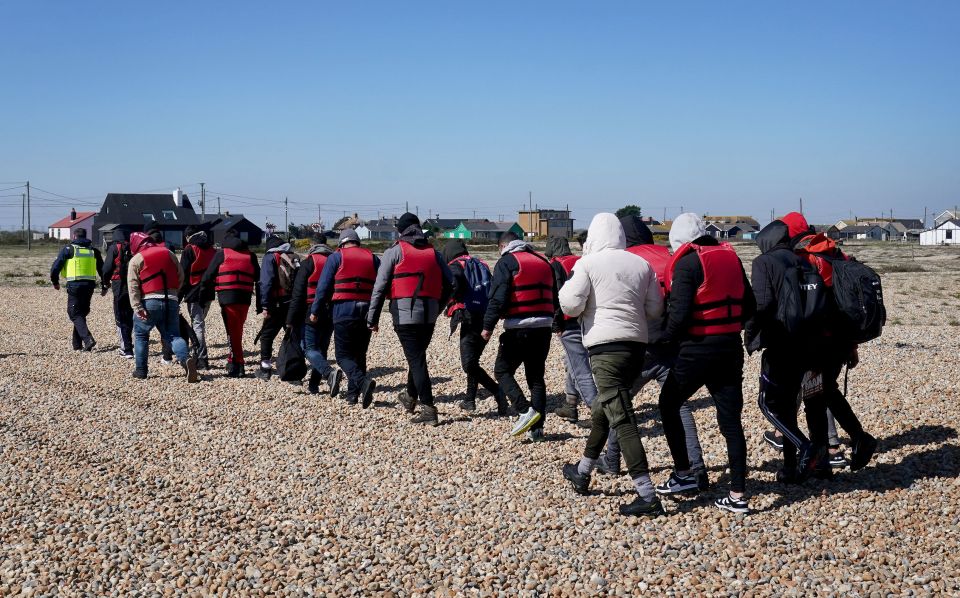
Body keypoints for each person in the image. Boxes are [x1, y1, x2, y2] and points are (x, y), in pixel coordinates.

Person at [558, 213, 665, 517]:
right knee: (603, 410)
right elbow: (655, 309)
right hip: (636, 347)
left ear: (594, 235)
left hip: (605, 349)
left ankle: (647, 494)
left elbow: (570, 304)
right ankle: (582, 471)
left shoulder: (587, 263)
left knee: (622, 418)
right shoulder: (640, 264)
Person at [655, 213, 756, 514]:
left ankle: (683, 475)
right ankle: (738, 494)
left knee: (669, 403)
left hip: (697, 349)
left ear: (679, 241)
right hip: (729, 348)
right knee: (730, 422)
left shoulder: (687, 263)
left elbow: (679, 317)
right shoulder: (731, 258)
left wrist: (659, 341)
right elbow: (749, 306)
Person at [600, 215, 709, 486]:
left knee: (619, 403)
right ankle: (696, 467)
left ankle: (612, 460)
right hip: (674, 343)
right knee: (679, 405)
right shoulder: (673, 256)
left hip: (638, 345)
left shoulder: (624, 260)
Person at [745, 213, 827, 483]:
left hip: (781, 342)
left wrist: (750, 334)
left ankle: (806, 447)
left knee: (768, 404)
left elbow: (762, 304)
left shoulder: (763, 263)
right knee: (791, 404)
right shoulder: (803, 260)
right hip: (809, 342)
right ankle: (792, 467)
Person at [791, 219, 877, 472]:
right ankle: (851, 442)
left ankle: (827, 458)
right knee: (825, 390)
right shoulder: (837, 254)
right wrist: (852, 346)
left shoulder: (806, 257)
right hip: (841, 339)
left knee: (815, 397)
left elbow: (809, 305)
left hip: (819, 341)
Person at [368, 213, 454, 426]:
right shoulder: (434, 253)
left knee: (416, 359)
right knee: (417, 357)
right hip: (429, 315)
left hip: (406, 315)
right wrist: (438, 306)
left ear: (401, 231)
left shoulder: (395, 252)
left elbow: (379, 288)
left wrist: (372, 318)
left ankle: (428, 407)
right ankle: (409, 397)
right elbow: (451, 284)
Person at [481, 231, 557, 440]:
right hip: (544, 327)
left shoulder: (507, 262)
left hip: (519, 327)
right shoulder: (543, 261)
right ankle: (537, 430)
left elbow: (498, 297)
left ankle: (524, 411)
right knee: (536, 378)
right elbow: (555, 295)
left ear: (502, 246)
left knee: (502, 371)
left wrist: (487, 326)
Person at [311, 229, 380, 406]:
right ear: (358, 242)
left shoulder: (336, 257)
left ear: (342, 243)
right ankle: (353, 395)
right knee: (359, 354)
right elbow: (381, 287)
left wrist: (315, 310)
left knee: (342, 356)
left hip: (343, 309)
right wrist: (376, 316)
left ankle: (363, 383)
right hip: (367, 310)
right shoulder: (373, 258)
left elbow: (323, 287)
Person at [126, 231, 199, 382]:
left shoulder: (137, 259)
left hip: (149, 301)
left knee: (141, 336)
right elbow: (181, 276)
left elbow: (133, 286)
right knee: (173, 335)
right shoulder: (169, 253)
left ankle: (141, 371)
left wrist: (137, 307)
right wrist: (174, 293)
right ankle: (186, 360)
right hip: (171, 300)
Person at [441, 239, 504, 413]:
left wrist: (445, 301)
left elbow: (453, 283)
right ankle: (470, 400)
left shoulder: (455, 266)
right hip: (486, 316)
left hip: (469, 317)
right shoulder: (480, 264)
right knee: (473, 360)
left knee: (468, 364)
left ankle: (498, 391)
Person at [545, 236, 597, 424]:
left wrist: (557, 324)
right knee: (572, 361)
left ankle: (596, 412)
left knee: (578, 367)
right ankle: (570, 404)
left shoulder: (555, 266)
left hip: (569, 323)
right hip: (589, 320)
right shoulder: (580, 261)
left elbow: (557, 296)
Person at [201, 229, 261, 377]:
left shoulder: (222, 253)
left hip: (227, 296)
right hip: (246, 297)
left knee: (233, 331)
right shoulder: (251, 255)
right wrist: (260, 304)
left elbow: (207, 276)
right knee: (237, 329)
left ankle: (238, 366)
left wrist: (202, 297)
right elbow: (260, 280)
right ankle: (233, 359)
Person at [289, 240, 341, 396]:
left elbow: (298, 294)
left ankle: (329, 372)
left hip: (311, 310)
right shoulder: (336, 261)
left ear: (313, 246)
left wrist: (290, 319)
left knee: (309, 348)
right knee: (322, 348)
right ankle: (314, 386)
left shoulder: (308, 263)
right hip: (332, 310)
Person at [255, 235, 301, 380]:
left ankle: (265, 368)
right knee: (292, 336)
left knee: (267, 335)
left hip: (276, 302)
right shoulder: (293, 256)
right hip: (292, 302)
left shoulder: (270, 257)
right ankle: (295, 370)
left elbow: (266, 283)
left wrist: (265, 305)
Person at [50, 228, 104, 351]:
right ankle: (77, 345)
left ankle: (88, 339)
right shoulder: (93, 250)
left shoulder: (68, 249)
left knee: (74, 313)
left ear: (74, 236)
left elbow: (55, 267)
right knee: (81, 313)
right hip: (90, 285)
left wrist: (55, 282)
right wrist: (105, 284)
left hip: (75, 285)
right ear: (86, 236)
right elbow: (102, 268)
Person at [178, 226, 216, 369]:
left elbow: (183, 275)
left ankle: (202, 359)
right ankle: (197, 354)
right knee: (199, 323)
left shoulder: (190, 249)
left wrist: (178, 296)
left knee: (198, 325)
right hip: (209, 292)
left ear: (188, 237)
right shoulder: (212, 249)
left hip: (194, 292)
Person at [101, 230, 134, 358]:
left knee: (120, 316)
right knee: (130, 314)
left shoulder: (114, 248)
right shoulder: (132, 248)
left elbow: (107, 268)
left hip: (118, 285)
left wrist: (105, 283)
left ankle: (126, 348)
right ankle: (131, 344)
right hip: (132, 284)